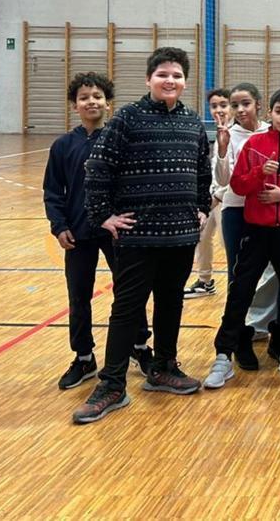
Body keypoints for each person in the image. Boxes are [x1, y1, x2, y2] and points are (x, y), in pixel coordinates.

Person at [74, 47, 210, 424]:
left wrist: (202, 207)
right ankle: (112, 384)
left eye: (177, 75)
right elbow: (97, 168)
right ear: (149, 79)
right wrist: (103, 216)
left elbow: (202, 171)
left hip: (181, 236)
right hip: (138, 236)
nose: (170, 80)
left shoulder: (192, 122)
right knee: (127, 309)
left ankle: (163, 367)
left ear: (185, 82)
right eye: (163, 74)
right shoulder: (127, 119)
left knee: (171, 303)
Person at [43, 72, 152, 389]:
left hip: (117, 232)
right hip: (78, 233)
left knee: (129, 292)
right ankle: (84, 357)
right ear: (74, 105)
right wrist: (59, 226)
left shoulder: (120, 141)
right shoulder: (63, 146)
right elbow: (53, 191)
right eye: (84, 97)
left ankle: (139, 346)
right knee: (78, 296)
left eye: (97, 96)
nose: (91, 101)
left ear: (108, 103)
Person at [203, 88, 280, 388]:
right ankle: (223, 355)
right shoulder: (253, 145)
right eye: (279, 111)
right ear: (270, 112)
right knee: (240, 291)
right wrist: (258, 173)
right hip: (254, 231)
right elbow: (237, 186)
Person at [213, 83, 279, 340]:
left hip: (267, 207)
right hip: (236, 210)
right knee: (237, 271)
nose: (240, 109)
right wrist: (221, 149)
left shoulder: (271, 130)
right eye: (235, 105)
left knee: (274, 270)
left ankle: (263, 323)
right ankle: (236, 327)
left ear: (258, 104)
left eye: (246, 103)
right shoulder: (227, 135)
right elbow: (223, 180)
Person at [184, 87, 232, 299]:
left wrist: (218, 196)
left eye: (223, 105)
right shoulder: (208, 132)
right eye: (214, 106)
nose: (218, 110)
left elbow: (235, 173)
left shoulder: (236, 132)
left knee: (228, 243)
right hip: (211, 198)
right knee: (202, 237)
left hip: (228, 199)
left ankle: (238, 286)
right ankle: (205, 281)